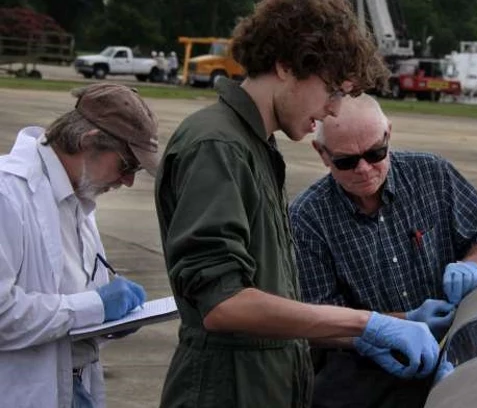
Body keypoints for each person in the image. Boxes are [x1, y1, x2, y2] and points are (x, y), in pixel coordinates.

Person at [154, 1, 440, 407]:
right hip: (229, 392)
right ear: (287, 66)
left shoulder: (254, 146)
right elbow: (224, 303)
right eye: (332, 90)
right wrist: (366, 322)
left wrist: (363, 335)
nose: (334, 109)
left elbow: (270, 302)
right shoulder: (218, 146)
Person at [289, 94, 477, 408]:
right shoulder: (307, 219)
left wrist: (474, 265)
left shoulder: (432, 175)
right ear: (322, 154)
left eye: (376, 153)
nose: (364, 169)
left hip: (446, 358)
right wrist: (396, 324)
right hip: (363, 376)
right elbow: (317, 321)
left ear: (388, 134)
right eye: (346, 161)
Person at [0, 83, 160, 408]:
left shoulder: (78, 199)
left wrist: (114, 321)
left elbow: (72, 301)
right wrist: (95, 307)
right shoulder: (7, 196)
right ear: (88, 143)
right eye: (127, 165)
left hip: (72, 386)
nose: (128, 181)